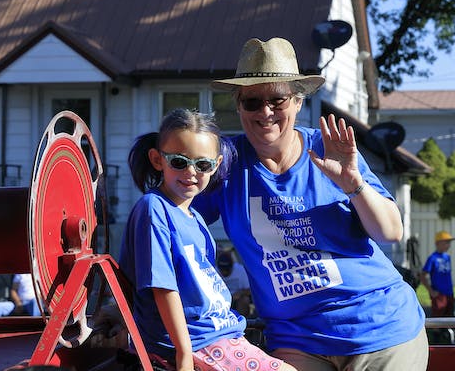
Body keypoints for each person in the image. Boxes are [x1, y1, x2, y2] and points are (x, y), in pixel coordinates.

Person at [192, 37, 428, 370]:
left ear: (298, 101)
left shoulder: (328, 148)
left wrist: (352, 183)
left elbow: (390, 231)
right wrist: (128, 300)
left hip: (380, 326)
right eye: (252, 102)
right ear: (238, 104)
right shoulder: (226, 163)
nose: (266, 112)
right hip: (297, 342)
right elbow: (169, 219)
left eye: (278, 99)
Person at [119, 108, 296, 371]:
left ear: (216, 165)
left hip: (220, 332)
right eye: (179, 161)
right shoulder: (153, 208)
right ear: (157, 160)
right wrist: (183, 354)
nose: (191, 172)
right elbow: (163, 287)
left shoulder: (196, 219)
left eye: (203, 165)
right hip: (196, 340)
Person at [420, 230, 455, 317]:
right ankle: (436, 331)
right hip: (439, 294)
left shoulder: (447, 257)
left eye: (449, 243)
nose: (448, 245)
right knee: (438, 317)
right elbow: (422, 276)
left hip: (449, 293)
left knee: (449, 317)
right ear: (437, 243)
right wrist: (431, 291)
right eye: (446, 242)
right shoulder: (432, 258)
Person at [216, 250, 252, 317]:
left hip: (237, 299)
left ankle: (242, 319)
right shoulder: (214, 271)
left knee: (244, 299)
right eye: (222, 269)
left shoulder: (240, 270)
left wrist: (240, 293)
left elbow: (250, 290)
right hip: (221, 299)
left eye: (227, 270)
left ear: (232, 266)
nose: (224, 273)